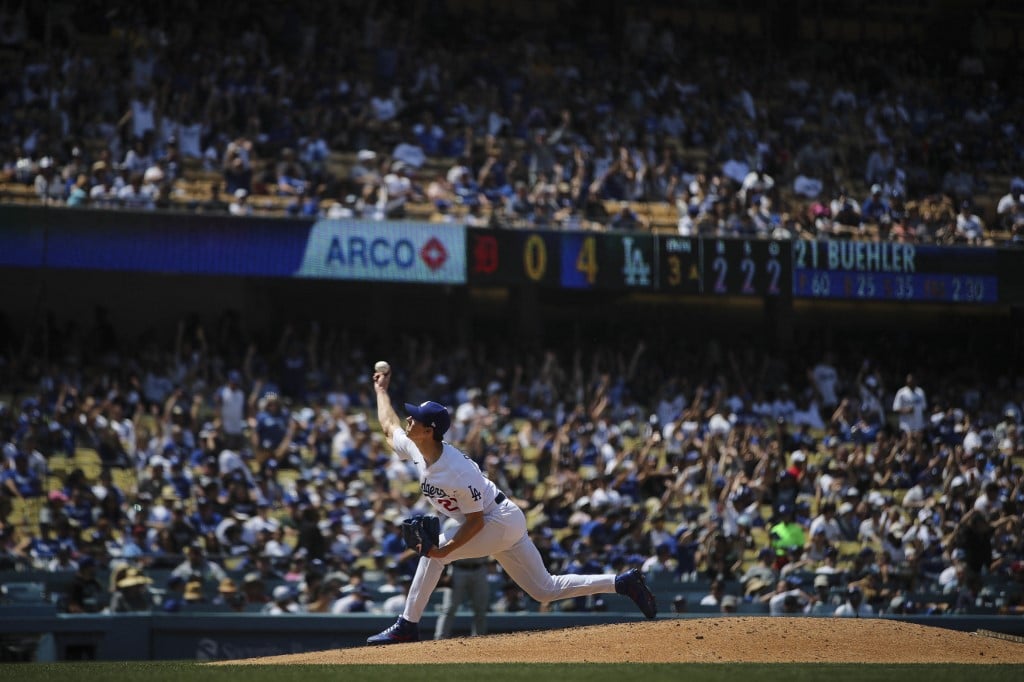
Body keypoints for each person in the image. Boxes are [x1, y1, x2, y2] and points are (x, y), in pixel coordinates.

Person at [365, 364, 656, 645]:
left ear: (429, 430)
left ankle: (406, 626)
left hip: (496, 520)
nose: (408, 420)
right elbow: (390, 428)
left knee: (434, 555)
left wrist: (445, 550)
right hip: (500, 519)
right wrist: (381, 390)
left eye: (414, 418)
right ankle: (622, 583)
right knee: (545, 589)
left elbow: (477, 522)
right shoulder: (418, 447)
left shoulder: (456, 469)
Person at [434, 557, 492, 639]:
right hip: (457, 569)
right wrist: (445, 573)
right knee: (449, 608)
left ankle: (479, 640)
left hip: (479, 569)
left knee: (480, 609)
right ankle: (439, 639)